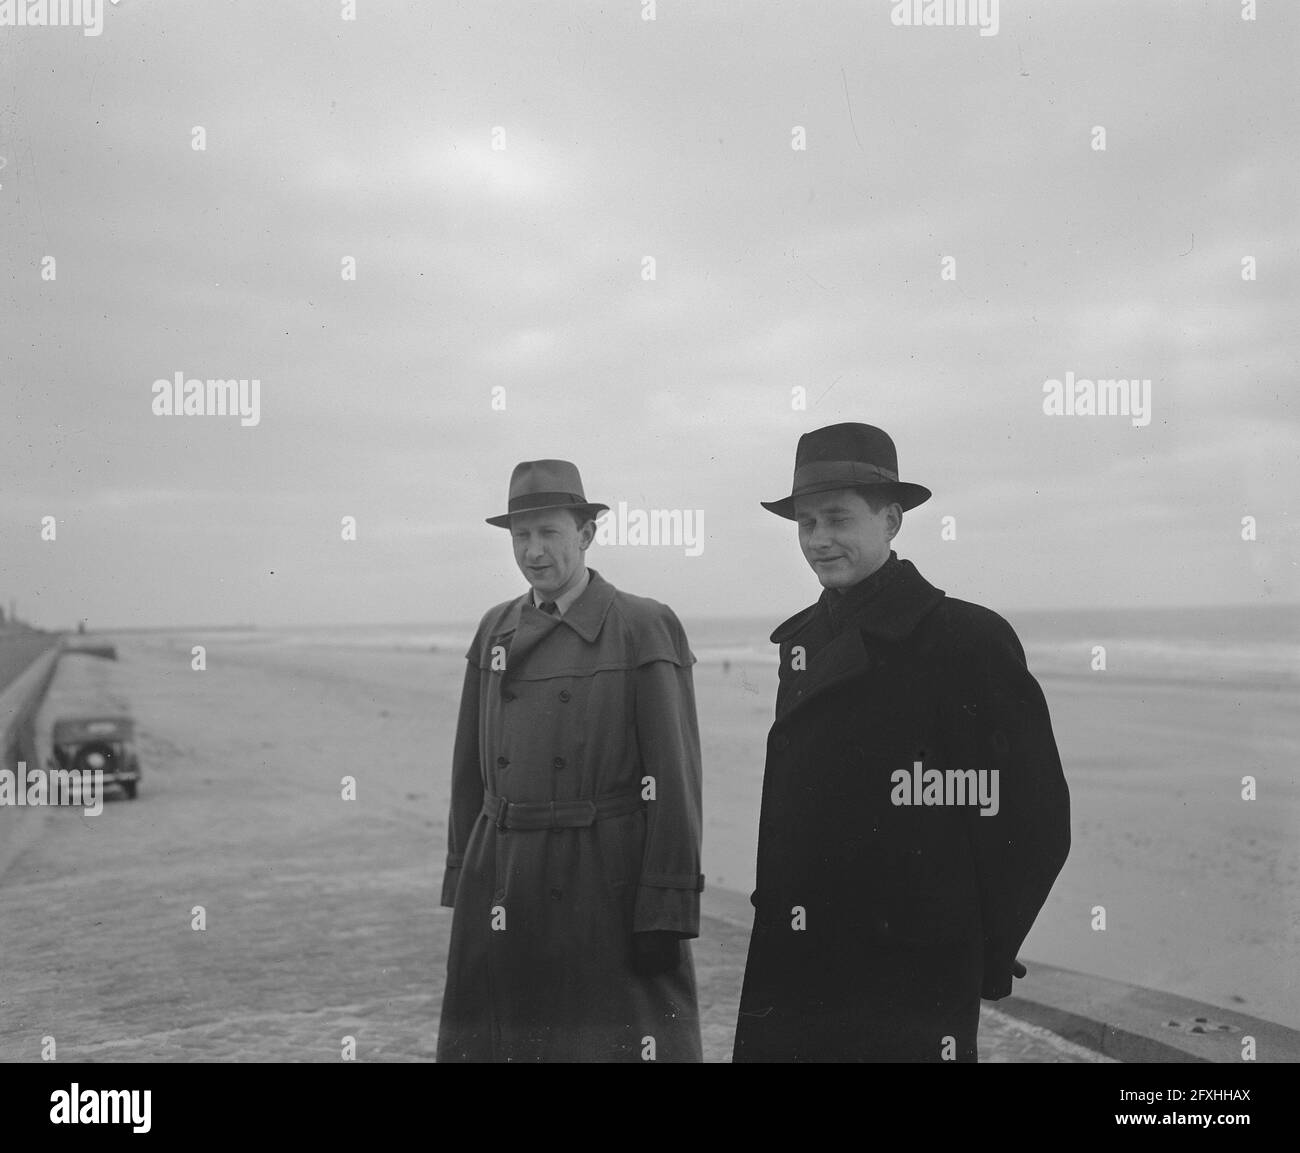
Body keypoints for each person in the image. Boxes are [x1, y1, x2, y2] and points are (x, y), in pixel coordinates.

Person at [733, 422, 1070, 1062]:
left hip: (910, 966)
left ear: (892, 521)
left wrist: (987, 952)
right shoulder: (802, 642)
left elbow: (1031, 818)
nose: (819, 540)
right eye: (806, 523)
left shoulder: (966, 638)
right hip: (795, 955)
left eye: (837, 519)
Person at [437, 459, 704, 1062]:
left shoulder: (642, 625)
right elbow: (468, 773)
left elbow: (675, 779)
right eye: (520, 536)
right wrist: (465, 874)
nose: (533, 551)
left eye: (549, 533)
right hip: (503, 875)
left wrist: (667, 903)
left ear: (585, 534)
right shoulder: (495, 632)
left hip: (601, 880)